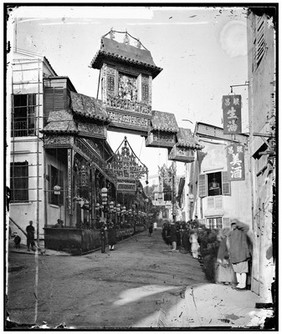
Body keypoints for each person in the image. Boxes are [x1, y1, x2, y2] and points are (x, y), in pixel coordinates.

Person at [226, 219, 252, 290]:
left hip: (240, 254)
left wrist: (237, 224)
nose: (233, 226)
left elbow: (246, 227)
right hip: (237, 255)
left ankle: (242, 285)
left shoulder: (241, 232)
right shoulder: (232, 233)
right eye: (232, 224)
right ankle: (240, 284)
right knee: (238, 271)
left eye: (234, 224)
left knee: (241, 271)